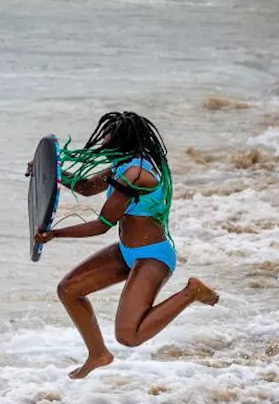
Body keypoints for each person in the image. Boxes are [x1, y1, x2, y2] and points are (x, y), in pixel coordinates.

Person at [30, 111, 219, 379]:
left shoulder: (136, 172)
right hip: (126, 252)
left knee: (129, 336)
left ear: (123, 141)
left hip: (153, 257)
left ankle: (192, 291)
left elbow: (102, 224)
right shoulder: (124, 165)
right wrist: (51, 173)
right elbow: (85, 186)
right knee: (69, 290)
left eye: (108, 136)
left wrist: (55, 233)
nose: (103, 141)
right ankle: (98, 354)